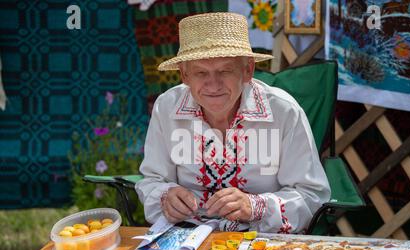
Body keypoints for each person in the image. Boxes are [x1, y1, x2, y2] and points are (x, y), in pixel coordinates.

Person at [136, 12, 330, 233]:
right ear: (184, 75)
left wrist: (255, 207)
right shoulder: (167, 108)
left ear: (247, 70)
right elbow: (152, 181)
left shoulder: (283, 111)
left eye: (225, 70)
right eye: (200, 72)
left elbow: (312, 196)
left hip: (262, 241)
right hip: (184, 238)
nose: (213, 84)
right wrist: (165, 196)